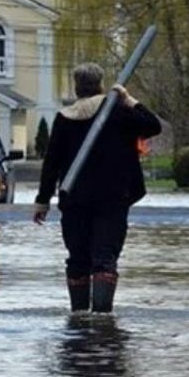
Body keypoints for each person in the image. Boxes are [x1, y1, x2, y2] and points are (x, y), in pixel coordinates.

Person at [34, 63, 162, 313]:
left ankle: (79, 317)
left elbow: (51, 163)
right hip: (112, 198)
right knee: (105, 258)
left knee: (78, 258)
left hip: (74, 199)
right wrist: (129, 99)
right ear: (101, 83)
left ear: (76, 85)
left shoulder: (64, 118)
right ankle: (103, 319)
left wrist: (42, 201)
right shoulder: (118, 113)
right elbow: (152, 125)